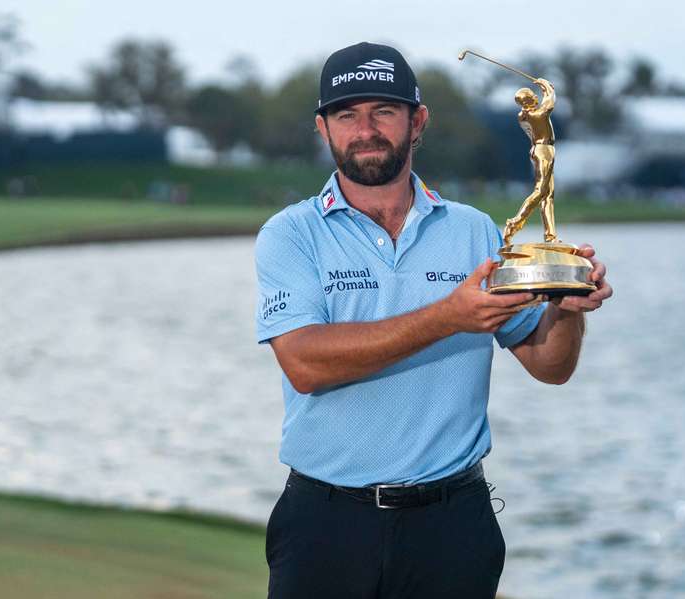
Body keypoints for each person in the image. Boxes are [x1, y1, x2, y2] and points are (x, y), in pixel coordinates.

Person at [255, 42, 612, 599]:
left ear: (417, 121)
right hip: (325, 523)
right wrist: (448, 316)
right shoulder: (290, 233)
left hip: (451, 524)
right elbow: (304, 362)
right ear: (323, 128)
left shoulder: (476, 233)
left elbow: (550, 366)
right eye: (347, 114)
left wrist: (565, 311)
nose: (365, 129)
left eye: (384, 112)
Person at [503, 78, 558, 244]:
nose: (536, 97)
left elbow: (547, 102)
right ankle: (516, 222)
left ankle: (550, 235)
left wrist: (545, 89)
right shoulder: (537, 114)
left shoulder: (523, 116)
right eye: (532, 95)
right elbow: (550, 101)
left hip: (540, 150)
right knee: (540, 191)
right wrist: (546, 85)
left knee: (548, 196)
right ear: (528, 100)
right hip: (544, 150)